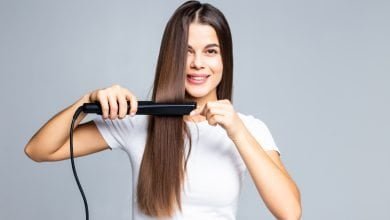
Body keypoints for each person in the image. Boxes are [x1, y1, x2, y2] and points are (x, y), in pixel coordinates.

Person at [24, 1, 301, 219]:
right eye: (187, 51)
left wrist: (238, 132)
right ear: (172, 57)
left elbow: (290, 212)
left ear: (224, 58)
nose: (197, 63)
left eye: (210, 51)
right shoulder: (138, 122)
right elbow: (38, 149)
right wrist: (86, 102)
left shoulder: (250, 129)